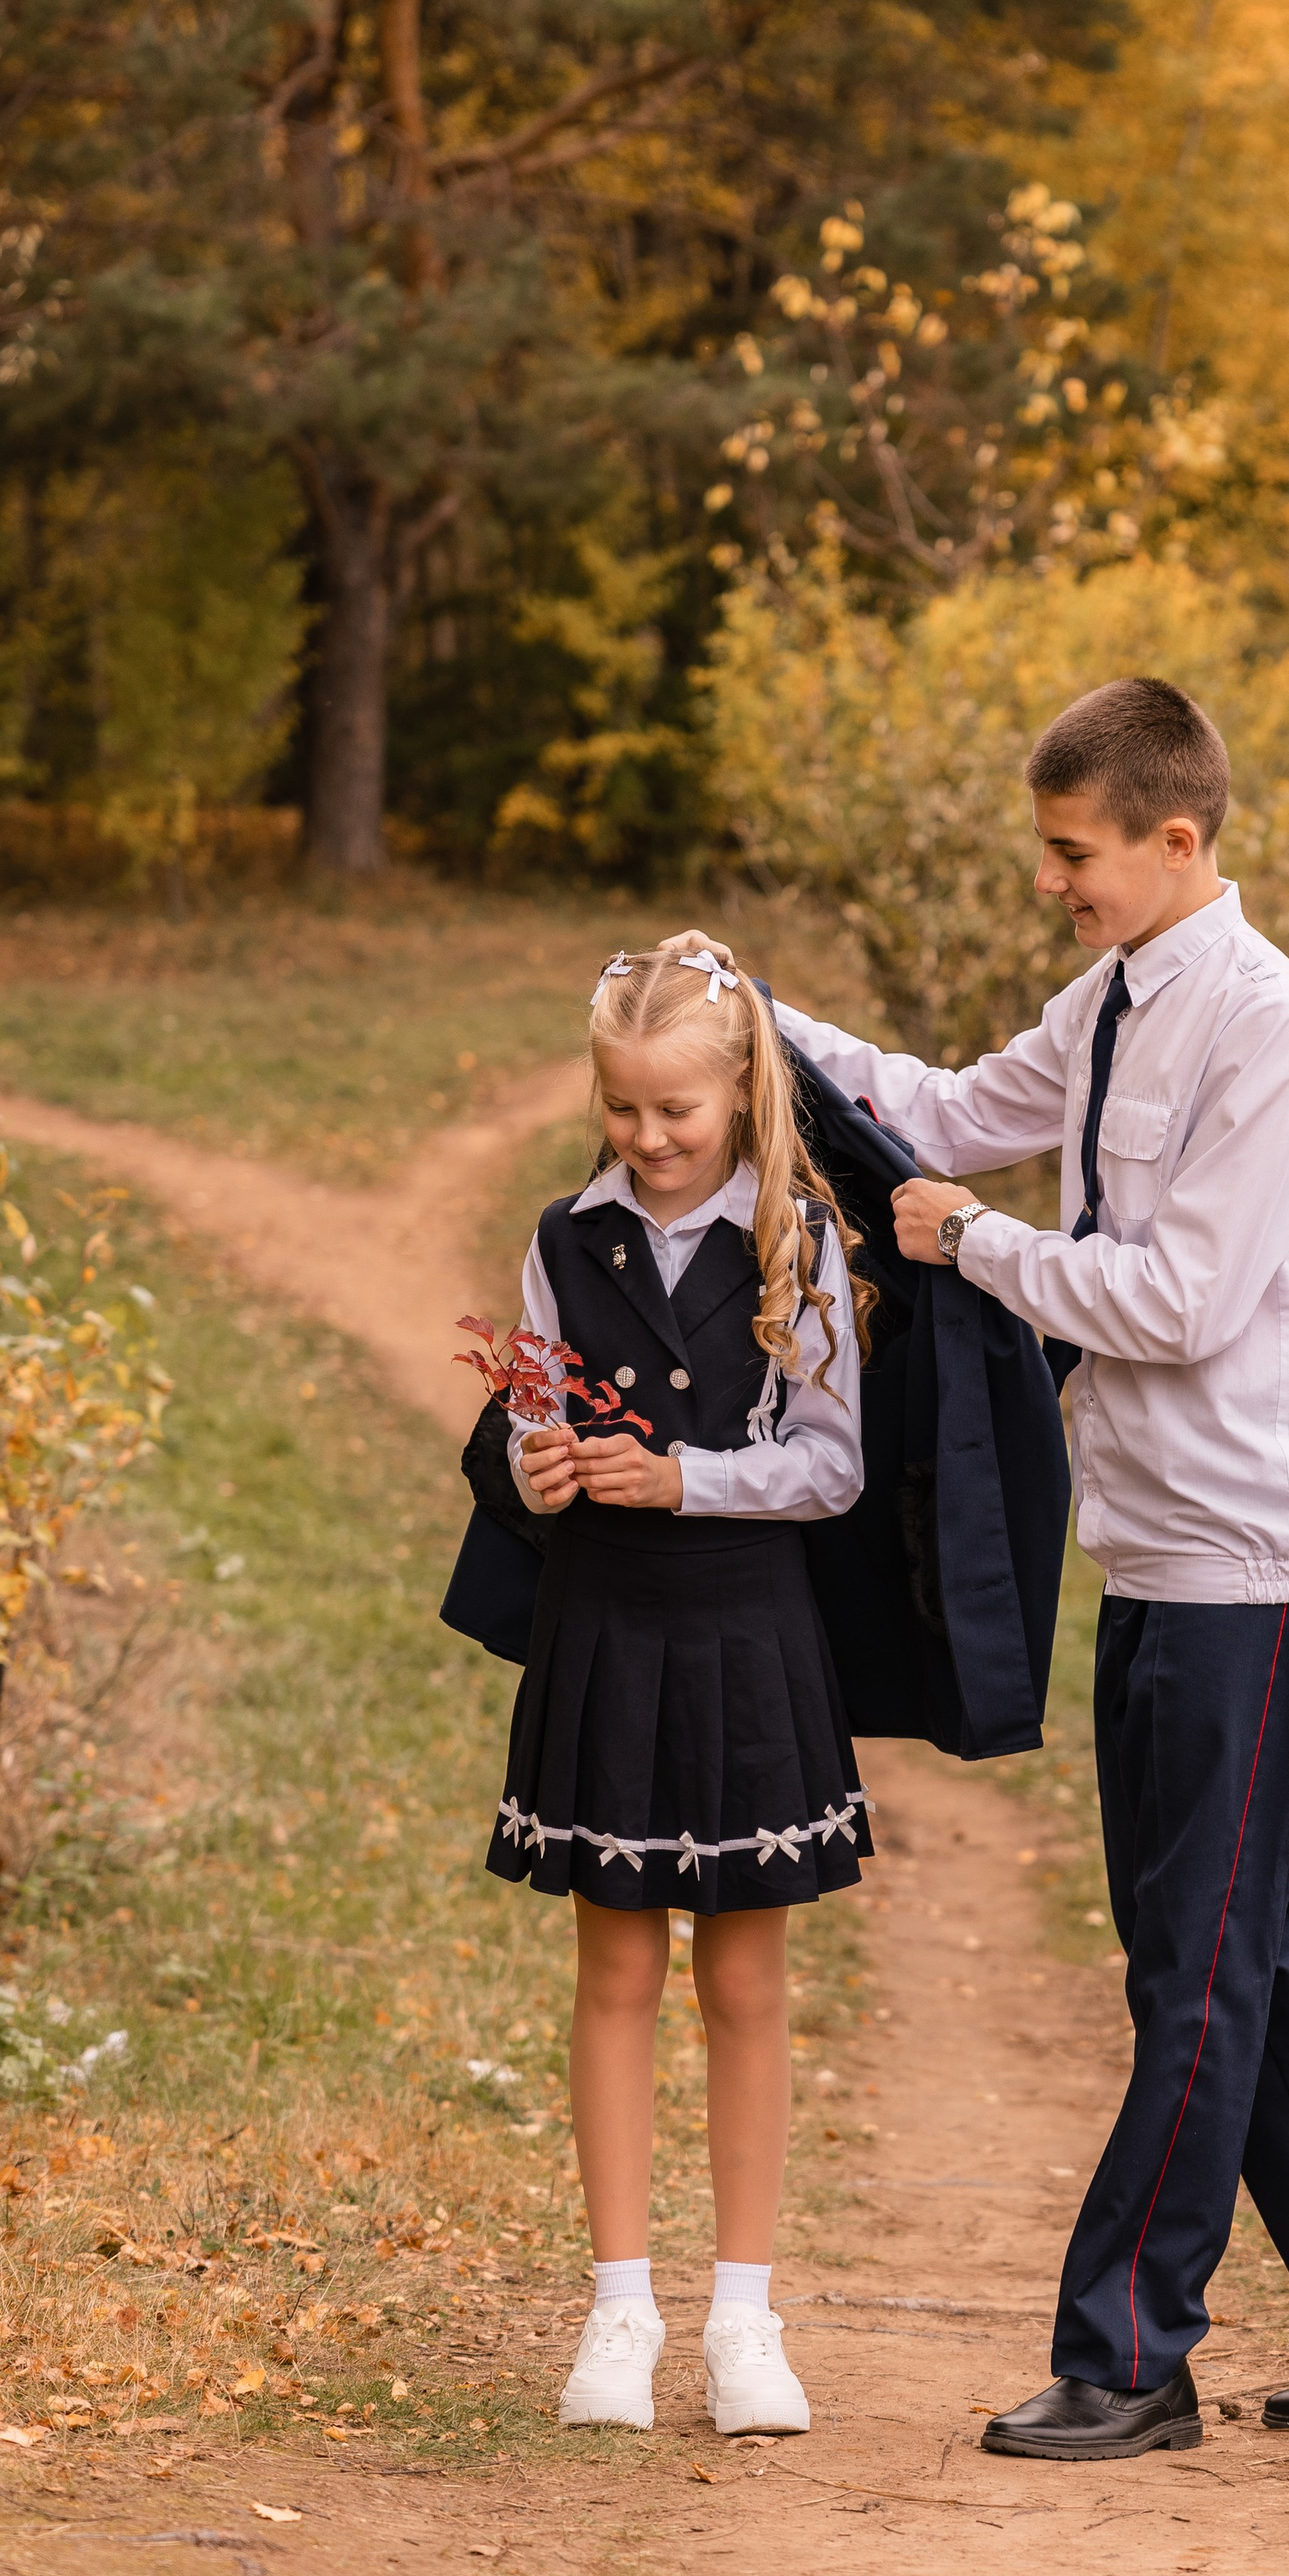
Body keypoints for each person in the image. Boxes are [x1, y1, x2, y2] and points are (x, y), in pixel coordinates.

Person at [666, 674, 1289, 2461]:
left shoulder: (1266, 1030)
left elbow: (1182, 1301)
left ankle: (1127, 2353)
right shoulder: (1118, 998)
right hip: (1153, 1543)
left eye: (1075, 854)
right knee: (1225, 1943)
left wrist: (972, 1245)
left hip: (1252, 1548)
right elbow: (944, 1104)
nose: (1053, 881)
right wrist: (755, 1014)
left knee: (1193, 1970)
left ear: (1172, 840)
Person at [490, 944, 874, 2440]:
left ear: (740, 1090)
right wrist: (536, 1463)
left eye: (678, 1112)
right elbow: (527, 1408)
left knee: (748, 1983)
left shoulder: (801, 1243)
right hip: (607, 1633)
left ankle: (744, 2319)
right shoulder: (562, 1238)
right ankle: (618, 2308)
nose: (647, 1139)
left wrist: (684, 1478)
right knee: (617, 1975)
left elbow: (833, 1462)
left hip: (746, 1636)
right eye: (621, 1108)